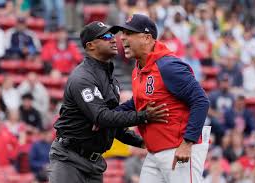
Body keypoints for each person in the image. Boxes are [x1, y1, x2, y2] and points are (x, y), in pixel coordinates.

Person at [48, 21, 169, 183]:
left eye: (113, 35)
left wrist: (142, 142)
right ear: (90, 46)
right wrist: (144, 116)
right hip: (69, 159)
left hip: (94, 162)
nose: (113, 39)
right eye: (105, 36)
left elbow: (113, 125)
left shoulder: (109, 77)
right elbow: (102, 117)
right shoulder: (83, 77)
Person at [115, 14, 210, 183]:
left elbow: (201, 100)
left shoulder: (168, 66)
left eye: (129, 33)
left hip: (178, 150)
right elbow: (137, 103)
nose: (122, 37)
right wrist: (105, 115)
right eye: (123, 33)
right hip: (154, 152)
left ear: (146, 38)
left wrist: (187, 143)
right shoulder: (138, 69)